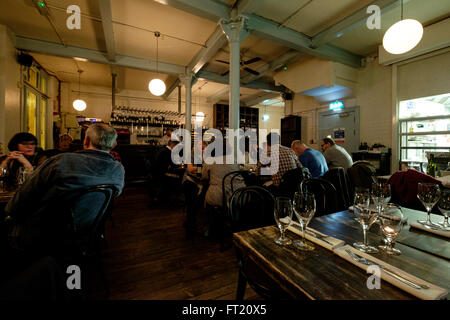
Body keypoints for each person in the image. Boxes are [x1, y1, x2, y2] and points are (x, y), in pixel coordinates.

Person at [3, 123, 125, 260]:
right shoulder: (118, 169)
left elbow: (22, 197)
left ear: (86, 141)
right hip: (86, 233)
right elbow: (110, 197)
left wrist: (9, 214)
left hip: (43, 233)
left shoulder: (60, 161)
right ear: (113, 144)